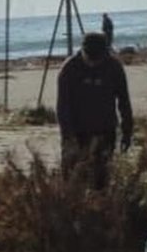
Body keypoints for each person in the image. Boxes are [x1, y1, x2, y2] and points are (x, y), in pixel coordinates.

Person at [57, 32, 134, 190]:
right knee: (73, 179)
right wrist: (68, 136)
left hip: (105, 130)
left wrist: (127, 131)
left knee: (101, 180)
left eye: (97, 58)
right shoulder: (69, 68)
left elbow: (124, 101)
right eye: (90, 58)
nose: (93, 63)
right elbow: (63, 106)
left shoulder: (114, 67)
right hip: (77, 131)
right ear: (83, 50)